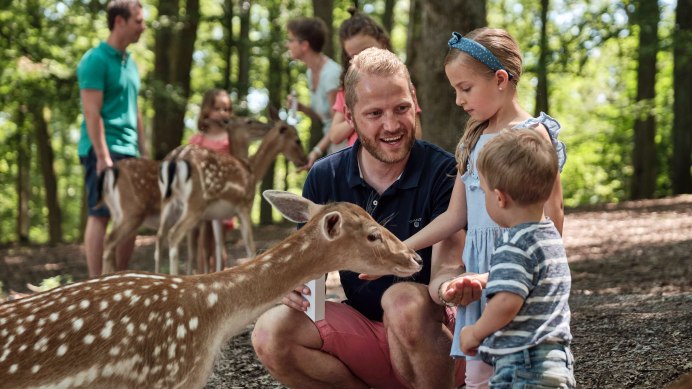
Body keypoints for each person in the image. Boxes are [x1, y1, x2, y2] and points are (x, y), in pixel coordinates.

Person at [251, 47, 470, 388]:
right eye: (374, 114)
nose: (392, 125)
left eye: (401, 108)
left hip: (436, 342)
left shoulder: (444, 172)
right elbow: (310, 275)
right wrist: (293, 286)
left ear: (415, 102)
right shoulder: (326, 177)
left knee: (404, 302)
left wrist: (450, 286)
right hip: (364, 332)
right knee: (271, 331)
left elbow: (447, 264)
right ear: (350, 118)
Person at [403, 28, 567, 388]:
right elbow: (454, 216)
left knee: (528, 366)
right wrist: (401, 248)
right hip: (477, 276)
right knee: (479, 377)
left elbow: (553, 216)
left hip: (520, 268)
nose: (459, 101)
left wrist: (546, 276)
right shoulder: (472, 139)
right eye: (455, 91)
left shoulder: (534, 136)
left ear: (500, 80)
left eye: (465, 88)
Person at [460, 128, 575, 388]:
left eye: (485, 191)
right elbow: (530, 283)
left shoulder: (512, 244)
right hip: (557, 360)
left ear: (499, 197)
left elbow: (507, 302)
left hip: (522, 364)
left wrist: (475, 332)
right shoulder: (550, 238)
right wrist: (487, 279)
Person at [77, 0, 146, 277]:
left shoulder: (131, 64)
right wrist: (103, 156)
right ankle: (96, 285)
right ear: (120, 21)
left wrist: (143, 150)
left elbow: (135, 110)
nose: (143, 27)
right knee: (101, 214)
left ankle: (117, 281)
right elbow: (92, 112)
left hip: (129, 152)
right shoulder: (94, 60)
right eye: (138, 21)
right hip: (103, 150)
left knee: (130, 218)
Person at [328, 8, 422, 147]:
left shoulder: (400, 84)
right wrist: (362, 115)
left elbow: (417, 134)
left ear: (382, 43)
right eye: (353, 56)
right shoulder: (347, 90)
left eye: (366, 50)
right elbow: (334, 135)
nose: (362, 57)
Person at [285, 17, 342, 169]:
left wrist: (316, 152)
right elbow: (324, 117)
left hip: (343, 145)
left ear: (304, 45)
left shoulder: (331, 74)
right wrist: (302, 108)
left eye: (291, 40)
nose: (287, 44)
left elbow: (338, 121)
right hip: (331, 145)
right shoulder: (311, 72)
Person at [188, 88, 234, 273]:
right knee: (202, 241)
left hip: (222, 197)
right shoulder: (197, 140)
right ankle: (202, 280)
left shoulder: (229, 140)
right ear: (207, 110)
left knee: (218, 241)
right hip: (201, 197)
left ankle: (220, 280)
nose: (223, 113)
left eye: (227, 109)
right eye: (218, 108)